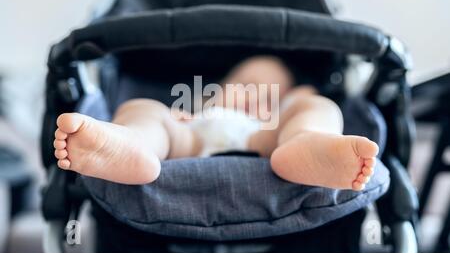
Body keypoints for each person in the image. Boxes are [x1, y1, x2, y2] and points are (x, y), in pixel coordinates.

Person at [53, 56, 378, 190]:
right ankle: (130, 143)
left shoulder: (274, 119)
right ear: (216, 90)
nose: (254, 98)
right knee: (144, 110)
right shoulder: (195, 112)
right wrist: (175, 118)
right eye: (246, 86)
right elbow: (175, 120)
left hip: (266, 141)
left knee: (316, 107)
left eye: (269, 96)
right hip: (190, 142)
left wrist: (298, 102)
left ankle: (309, 143)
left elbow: (298, 101)